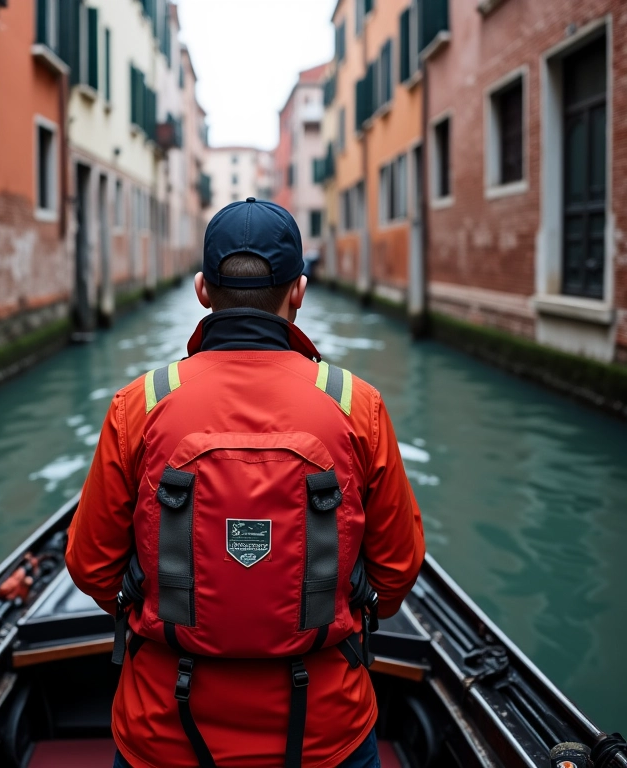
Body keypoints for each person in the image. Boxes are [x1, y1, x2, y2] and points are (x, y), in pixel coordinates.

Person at [66, 198, 425, 768]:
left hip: (164, 732)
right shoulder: (358, 406)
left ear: (203, 290)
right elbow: (397, 570)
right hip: (324, 734)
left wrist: (150, 608)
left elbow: (91, 566)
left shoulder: (140, 403)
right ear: (299, 291)